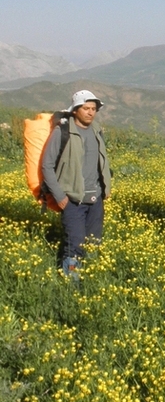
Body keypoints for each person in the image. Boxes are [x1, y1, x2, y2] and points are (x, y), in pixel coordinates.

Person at [41, 90, 112, 277]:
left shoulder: (97, 130)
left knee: (93, 242)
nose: (90, 112)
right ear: (75, 110)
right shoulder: (62, 132)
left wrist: (107, 187)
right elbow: (46, 165)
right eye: (86, 108)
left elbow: (102, 161)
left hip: (96, 199)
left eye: (93, 109)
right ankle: (71, 284)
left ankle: (90, 279)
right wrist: (60, 197)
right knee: (75, 244)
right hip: (72, 200)